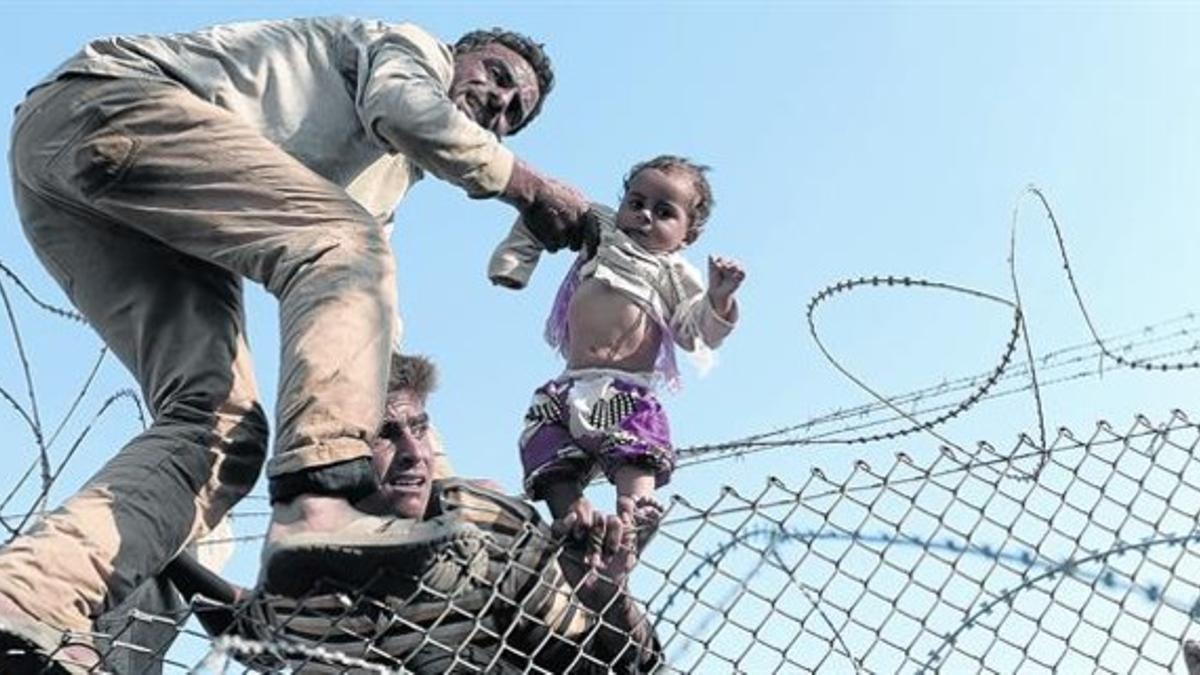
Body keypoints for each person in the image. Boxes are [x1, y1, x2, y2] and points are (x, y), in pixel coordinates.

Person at [0, 16, 590, 672]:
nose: (497, 103)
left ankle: (27, 604)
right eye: (497, 77)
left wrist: (443, 489)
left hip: (88, 189)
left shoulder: (377, 192)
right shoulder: (406, 51)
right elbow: (405, 108)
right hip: (109, 105)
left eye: (513, 113)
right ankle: (319, 504)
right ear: (462, 53)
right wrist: (531, 188)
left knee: (219, 429)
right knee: (344, 245)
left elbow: (373, 342)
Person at [159, 353, 662, 673]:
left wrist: (610, 604)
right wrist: (161, 551)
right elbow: (259, 635)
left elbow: (587, 664)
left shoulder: (486, 526)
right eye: (386, 434)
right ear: (331, 447)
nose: (415, 454)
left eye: (419, 429)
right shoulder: (305, 553)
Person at [489, 155, 746, 553]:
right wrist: (514, 262)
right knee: (543, 442)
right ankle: (572, 514)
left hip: (623, 391)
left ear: (687, 236)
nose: (644, 215)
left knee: (635, 450)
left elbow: (695, 332)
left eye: (664, 212)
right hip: (568, 388)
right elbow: (545, 210)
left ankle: (636, 512)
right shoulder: (602, 231)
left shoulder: (673, 273)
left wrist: (719, 298)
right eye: (637, 202)